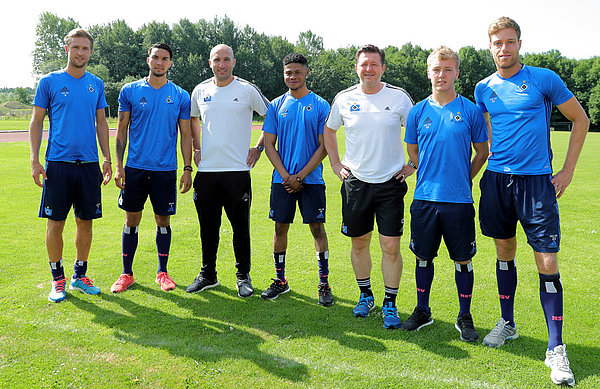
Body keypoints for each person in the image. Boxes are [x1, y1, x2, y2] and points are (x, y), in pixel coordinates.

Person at [475, 17, 589, 386]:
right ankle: (507, 324)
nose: (503, 49)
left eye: (510, 42)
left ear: (519, 44)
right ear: (489, 46)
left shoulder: (544, 79)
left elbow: (580, 120)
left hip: (538, 183)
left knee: (547, 260)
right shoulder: (483, 89)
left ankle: (556, 348)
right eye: (497, 43)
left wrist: (567, 170)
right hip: (497, 181)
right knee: (503, 251)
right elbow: (488, 133)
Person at [400, 46, 489, 342]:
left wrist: (465, 177)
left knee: (462, 259)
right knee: (423, 257)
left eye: (447, 69)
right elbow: (412, 150)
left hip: (459, 201)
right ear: (429, 72)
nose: (441, 75)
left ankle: (464, 315)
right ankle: (422, 310)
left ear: (456, 73)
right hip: (424, 198)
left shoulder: (470, 111)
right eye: (436, 70)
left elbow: (482, 151)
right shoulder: (417, 112)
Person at [324, 44, 414, 328]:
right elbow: (329, 130)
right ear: (356, 67)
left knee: (390, 246)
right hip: (356, 184)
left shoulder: (399, 98)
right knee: (359, 242)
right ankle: (365, 295)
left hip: (390, 183)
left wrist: (413, 164)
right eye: (364, 64)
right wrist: (336, 164)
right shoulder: (343, 98)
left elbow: (416, 132)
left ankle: (390, 302)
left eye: (374, 64)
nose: (369, 69)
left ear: (383, 68)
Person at [29, 28, 112, 302]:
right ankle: (58, 280)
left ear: (90, 51)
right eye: (76, 47)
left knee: (85, 222)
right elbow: (37, 121)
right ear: (67, 49)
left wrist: (107, 158)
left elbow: (101, 123)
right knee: (56, 223)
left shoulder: (96, 84)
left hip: (88, 165)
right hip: (58, 165)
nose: (80, 53)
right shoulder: (49, 82)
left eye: (85, 48)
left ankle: (80, 276)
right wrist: (34, 159)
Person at [186, 44, 269, 298]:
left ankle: (243, 276)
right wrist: (197, 148)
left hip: (237, 172)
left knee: (240, 228)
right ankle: (208, 274)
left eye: (226, 60)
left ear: (234, 62)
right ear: (209, 62)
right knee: (207, 228)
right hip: (207, 172)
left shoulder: (246, 89)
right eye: (216, 60)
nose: (221, 64)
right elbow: (193, 119)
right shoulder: (200, 90)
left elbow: (272, 116)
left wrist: (259, 147)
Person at [110, 43, 193, 293]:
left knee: (162, 221)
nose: (159, 62)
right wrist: (118, 165)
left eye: (164, 59)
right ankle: (126, 274)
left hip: (165, 170)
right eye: (155, 57)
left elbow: (186, 134)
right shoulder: (130, 91)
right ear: (148, 60)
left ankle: (163, 272)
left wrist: (187, 168)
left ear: (170, 63)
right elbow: (121, 130)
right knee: (131, 219)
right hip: (134, 168)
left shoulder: (180, 95)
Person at [260, 53, 333, 306]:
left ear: (306, 73)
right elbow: (269, 144)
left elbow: (324, 146)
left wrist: (299, 176)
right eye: (288, 72)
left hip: (310, 180)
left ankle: (324, 283)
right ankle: (281, 281)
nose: (292, 76)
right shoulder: (276, 105)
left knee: (317, 229)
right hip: (282, 180)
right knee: (280, 227)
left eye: (297, 72)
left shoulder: (321, 105)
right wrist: (286, 176)